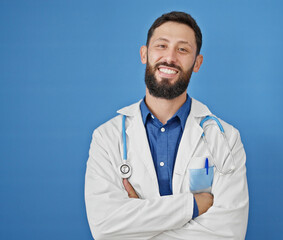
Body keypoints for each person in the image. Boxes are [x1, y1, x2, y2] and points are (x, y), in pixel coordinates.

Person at [85, 11, 249, 239]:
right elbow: (104, 227)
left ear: (197, 62)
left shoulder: (226, 138)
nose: (170, 57)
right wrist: (193, 205)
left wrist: (139, 221)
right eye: (161, 46)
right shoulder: (106, 137)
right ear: (144, 54)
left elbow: (228, 233)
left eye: (183, 49)